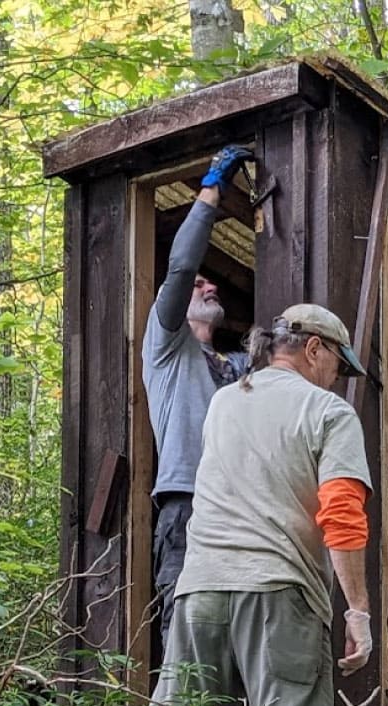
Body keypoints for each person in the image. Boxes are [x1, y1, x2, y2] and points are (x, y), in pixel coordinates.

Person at [144, 303, 375, 706]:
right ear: (314, 348)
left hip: (199, 589)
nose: (337, 379)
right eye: (338, 364)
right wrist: (357, 612)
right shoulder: (327, 413)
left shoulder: (225, 402)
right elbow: (341, 514)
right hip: (278, 592)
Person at [142, 145, 253, 647]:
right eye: (198, 286)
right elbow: (182, 269)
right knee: (186, 626)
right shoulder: (167, 345)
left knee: (237, 633)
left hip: (243, 509)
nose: (207, 286)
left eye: (213, 284)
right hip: (187, 502)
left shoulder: (238, 367)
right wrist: (211, 190)